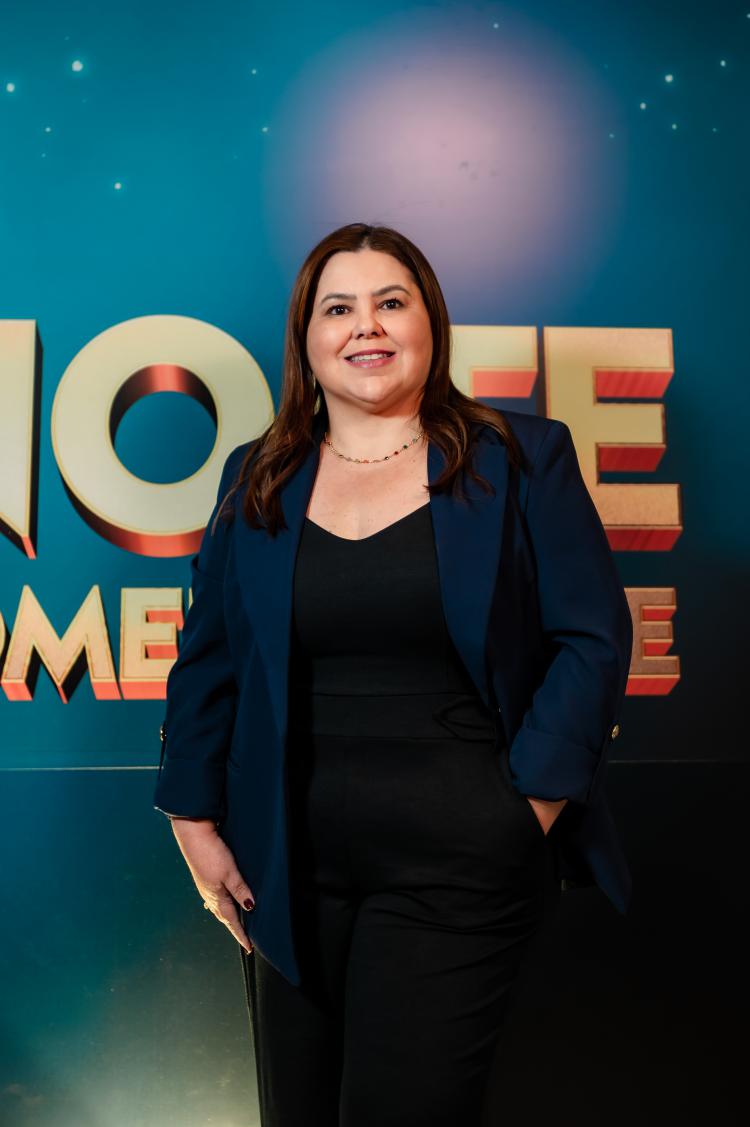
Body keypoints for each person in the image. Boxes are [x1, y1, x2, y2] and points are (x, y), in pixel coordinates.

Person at [154, 221, 633, 1126]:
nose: (365, 325)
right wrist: (191, 818)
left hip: (460, 856)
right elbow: (209, 659)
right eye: (338, 308)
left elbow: (593, 640)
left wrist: (524, 812)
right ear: (307, 338)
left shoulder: (521, 456)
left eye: (391, 301)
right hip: (285, 860)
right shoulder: (256, 475)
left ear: (429, 323)